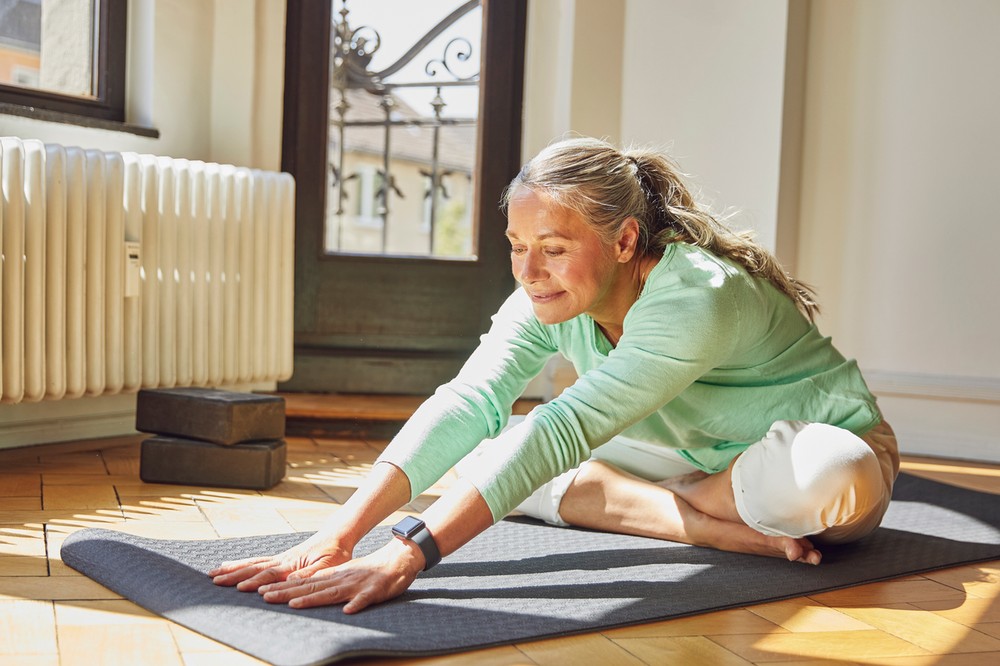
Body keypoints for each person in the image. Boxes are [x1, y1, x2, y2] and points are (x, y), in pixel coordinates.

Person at [209, 136, 899, 614]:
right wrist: (339, 533)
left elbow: (566, 426)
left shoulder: (696, 295)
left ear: (625, 240)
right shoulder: (549, 297)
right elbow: (471, 399)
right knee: (484, 448)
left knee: (833, 477)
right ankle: (709, 521)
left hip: (806, 453)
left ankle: (691, 502)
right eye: (516, 246)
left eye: (553, 248)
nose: (528, 271)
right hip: (676, 454)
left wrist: (408, 553)